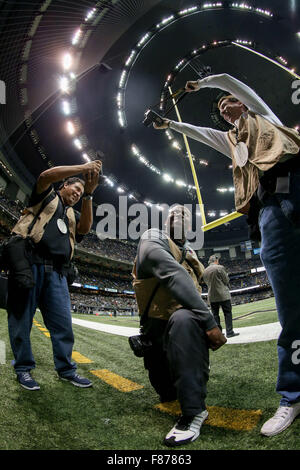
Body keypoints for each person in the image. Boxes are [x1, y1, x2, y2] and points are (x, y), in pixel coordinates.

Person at [153, 73, 300, 437]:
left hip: (297, 187)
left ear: (241, 102)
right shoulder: (232, 141)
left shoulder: (263, 116)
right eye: (220, 107)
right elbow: (199, 133)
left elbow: (233, 82)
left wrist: (202, 84)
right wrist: (168, 122)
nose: (224, 107)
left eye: (227, 101)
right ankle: (293, 394)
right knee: (290, 308)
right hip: (269, 210)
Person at [132, 205, 227, 447]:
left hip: (184, 329)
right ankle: (183, 379)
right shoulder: (153, 237)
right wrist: (209, 320)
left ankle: (194, 412)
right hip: (158, 334)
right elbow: (172, 274)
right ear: (165, 221)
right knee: (167, 394)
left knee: (184, 318)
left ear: (190, 225)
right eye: (172, 213)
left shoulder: (192, 253)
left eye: (184, 213)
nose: (178, 215)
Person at [7, 159, 102, 390]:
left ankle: (67, 370)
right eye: (76, 189)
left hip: (58, 273)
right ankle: (23, 369)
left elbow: (84, 230)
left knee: (63, 324)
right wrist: (83, 169)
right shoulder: (46, 196)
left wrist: (89, 195)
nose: (78, 194)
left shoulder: (72, 214)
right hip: (30, 264)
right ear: (64, 186)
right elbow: (45, 176)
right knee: (21, 319)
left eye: (81, 192)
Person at [202, 255, 239, 338]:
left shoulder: (205, 271)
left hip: (211, 295)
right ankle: (229, 332)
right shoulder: (220, 267)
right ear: (216, 260)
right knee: (227, 313)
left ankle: (219, 334)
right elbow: (226, 280)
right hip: (223, 294)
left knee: (215, 315)